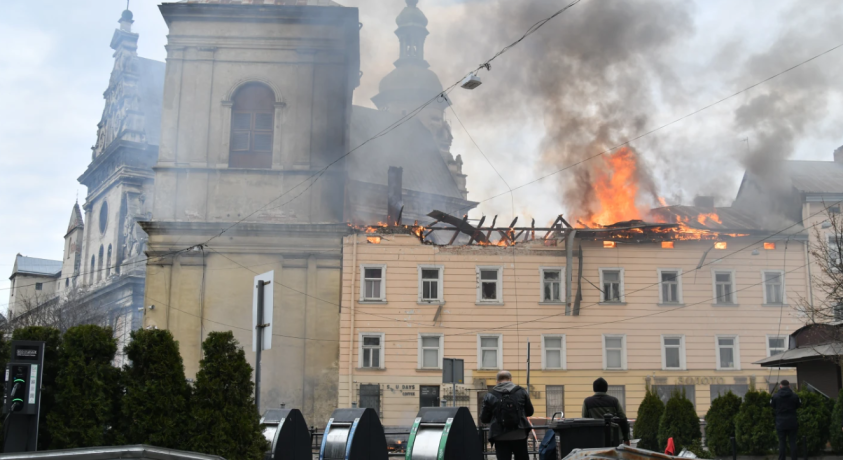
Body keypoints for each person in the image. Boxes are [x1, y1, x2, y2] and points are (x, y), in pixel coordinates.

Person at [480, 370, 535, 460]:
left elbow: (484, 418)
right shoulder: (521, 392)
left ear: (497, 381)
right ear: (510, 379)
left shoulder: (489, 395)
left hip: (499, 435)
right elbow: (530, 412)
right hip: (519, 433)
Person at [581, 377, 630, 445]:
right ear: (606, 388)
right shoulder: (614, 401)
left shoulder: (587, 402)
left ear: (594, 388)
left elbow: (585, 420)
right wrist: (626, 438)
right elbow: (623, 418)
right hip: (614, 438)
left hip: (595, 438)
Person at [771, 380, 801, 460]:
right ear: (789, 386)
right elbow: (798, 405)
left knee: (782, 443)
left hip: (780, 422)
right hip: (792, 422)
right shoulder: (795, 396)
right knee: (792, 442)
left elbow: (772, 405)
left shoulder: (775, 396)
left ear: (780, 386)